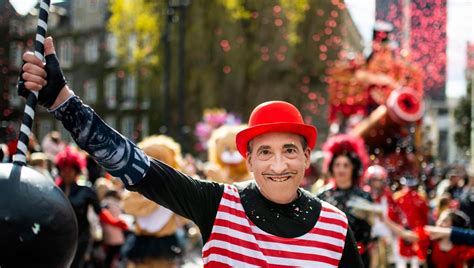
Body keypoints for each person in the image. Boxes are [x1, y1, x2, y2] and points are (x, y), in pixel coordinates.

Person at [19, 37, 363, 267]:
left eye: (289, 150)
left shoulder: (335, 226)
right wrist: (62, 101)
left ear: (306, 157)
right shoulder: (220, 205)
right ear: (250, 160)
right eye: (265, 152)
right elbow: (136, 167)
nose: (278, 165)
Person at [54, 146, 128, 268]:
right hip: (61, 236)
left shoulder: (86, 190)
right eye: (63, 169)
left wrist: (114, 222)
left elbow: (99, 211)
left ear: (76, 170)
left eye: (70, 169)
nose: (66, 173)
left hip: (81, 237)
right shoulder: (55, 190)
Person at [317, 134, 372, 267]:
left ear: (353, 168)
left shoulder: (364, 196)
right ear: (331, 167)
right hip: (328, 257)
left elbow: (371, 233)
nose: (341, 169)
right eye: (337, 165)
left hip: (359, 258)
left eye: (346, 165)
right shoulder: (321, 196)